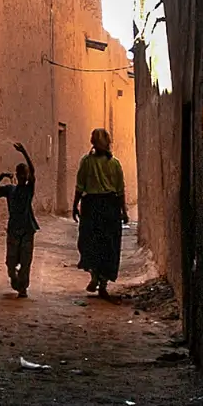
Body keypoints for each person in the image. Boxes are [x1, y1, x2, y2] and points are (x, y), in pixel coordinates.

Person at [72, 128, 129, 301]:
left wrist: (75, 206)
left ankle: (94, 274)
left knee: (89, 241)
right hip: (110, 207)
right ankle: (103, 282)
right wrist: (123, 211)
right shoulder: (115, 164)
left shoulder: (86, 162)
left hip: (91, 207)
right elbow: (120, 191)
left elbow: (80, 186)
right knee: (109, 245)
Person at [0, 141, 40, 298]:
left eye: (25, 174)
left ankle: (23, 287)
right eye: (21, 174)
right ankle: (14, 278)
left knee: (25, 260)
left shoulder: (28, 189)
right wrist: (2, 176)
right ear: (17, 176)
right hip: (13, 229)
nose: (24, 176)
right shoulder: (11, 190)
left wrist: (24, 152)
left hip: (27, 228)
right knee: (11, 261)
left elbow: (33, 171)